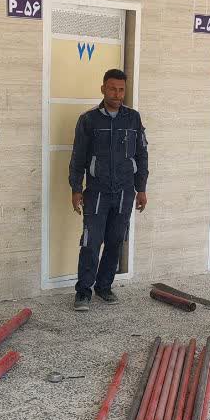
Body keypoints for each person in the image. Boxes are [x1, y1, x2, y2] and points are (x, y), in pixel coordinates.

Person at [68, 68, 149, 311]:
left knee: (115, 241)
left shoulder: (133, 119)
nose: (117, 94)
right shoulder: (88, 120)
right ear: (103, 88)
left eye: (121, 89)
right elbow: (78, 157)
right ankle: (83, 292)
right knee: (91, 242)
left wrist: (141, 188)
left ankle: (104, 287)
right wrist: (76, 188)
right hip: (97, 192)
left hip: (125, 191)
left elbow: (141, 155)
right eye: (112, 88)